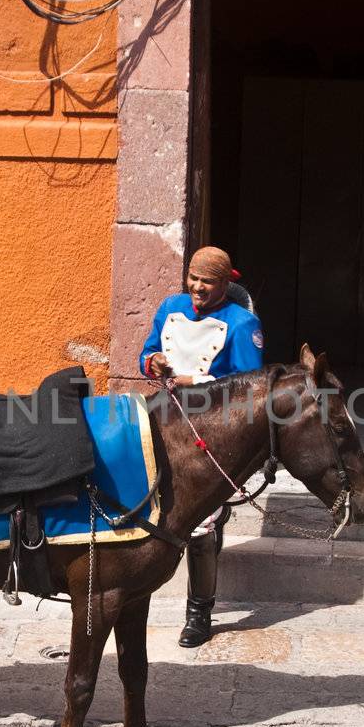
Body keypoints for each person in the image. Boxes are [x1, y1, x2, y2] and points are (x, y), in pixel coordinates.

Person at [139, 246, 264, 646]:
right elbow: (146, 352)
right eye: (193, 278)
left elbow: (250, 388)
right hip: (166, 420)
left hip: (213, 430)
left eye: (206, 281)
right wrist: (153, 361)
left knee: (203, 525)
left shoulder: (242, 323)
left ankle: (199, 613)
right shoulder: (170, 307)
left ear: (226, 283)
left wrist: (197, 383)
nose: (196, 287)